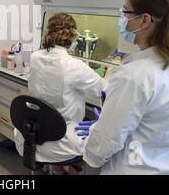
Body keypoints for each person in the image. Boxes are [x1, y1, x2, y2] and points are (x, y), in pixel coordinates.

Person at [78, 0, 169, 175]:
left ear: (144, 20)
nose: (122, 20)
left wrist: (98, 133)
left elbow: (103, 146)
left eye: (126, 13)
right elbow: (158, 128)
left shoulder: (134, 75)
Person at [13, 13, 107, 174]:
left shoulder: (35, 57)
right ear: (73, 35)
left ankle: (58, 170)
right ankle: (72, 169)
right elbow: (103, 88)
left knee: (55, 117)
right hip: (63, 146)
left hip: (31, 137)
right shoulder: (75, 65)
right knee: (93, 131)